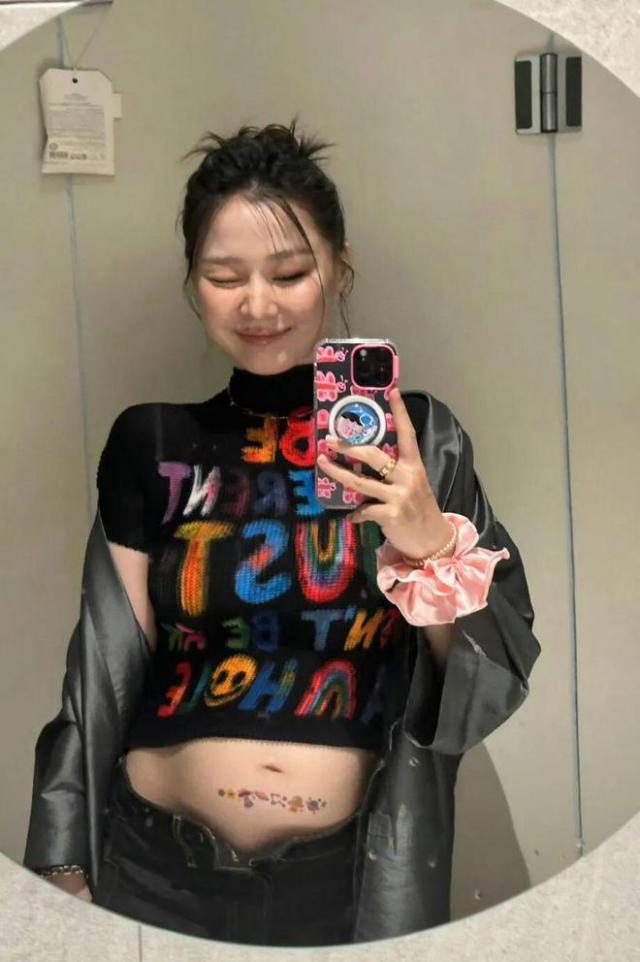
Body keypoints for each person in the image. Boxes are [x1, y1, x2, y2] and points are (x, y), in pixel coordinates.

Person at [23, 119, 541, 946]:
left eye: (291, 273)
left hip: (348, 880)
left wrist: (429, 541)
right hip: (149, 868)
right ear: (193, 283)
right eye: (224, 276)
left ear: (338, 269)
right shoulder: (150, 443)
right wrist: (60, 866)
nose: (258, 304)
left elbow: (489, 683)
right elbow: (99, 679)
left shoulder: (420, 441)